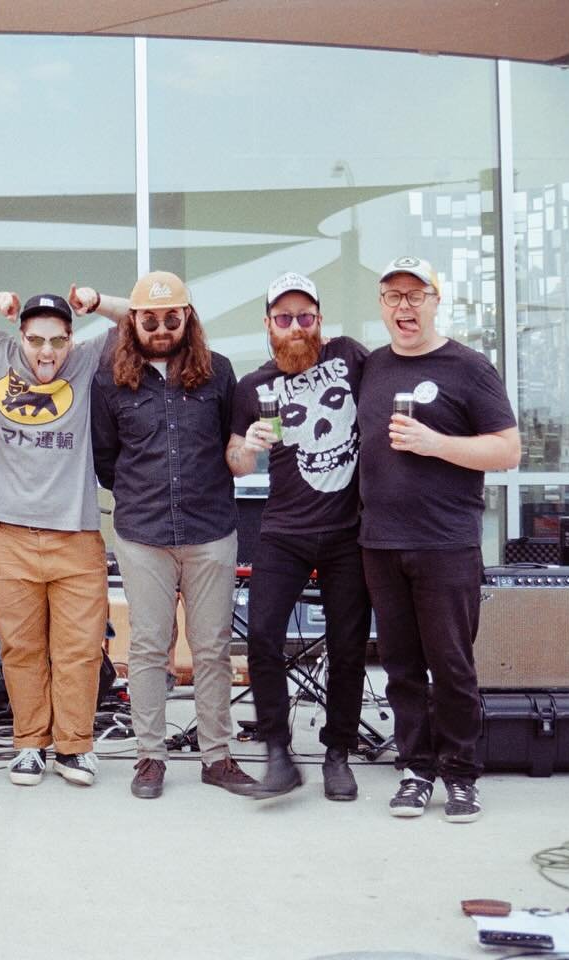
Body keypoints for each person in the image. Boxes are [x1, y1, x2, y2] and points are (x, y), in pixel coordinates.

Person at [358, 256, 520, 823]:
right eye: (393, 296)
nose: (405, 306)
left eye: (415, 295)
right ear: (382, 306)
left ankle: (461, 774)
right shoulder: (372, 367)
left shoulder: (469, 367)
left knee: (451, 664)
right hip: (378, 541)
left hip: (446, 542)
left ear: (436, 300)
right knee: (400, 666)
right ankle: (415, 769)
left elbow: (507, 450)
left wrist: (436, 443)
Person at [0, 286, 114, 787]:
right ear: (20, 336)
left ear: (70, 340)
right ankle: (30, 744)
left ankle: (75, 747)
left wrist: (97, 301)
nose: (46, 352)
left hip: (75, 534)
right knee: (20, 648)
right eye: (36, 340)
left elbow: (137, 320)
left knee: (79, 649)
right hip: (8, 533)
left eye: (57, 341)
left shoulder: (83, 362)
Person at [91, 270, 254, 799]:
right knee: (148, 648)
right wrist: (143, 495)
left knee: (212, 648)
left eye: (171, 317)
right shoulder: (110, 379)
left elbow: (235, 450)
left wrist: (250, 453)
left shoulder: (220, 373)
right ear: (133, 321)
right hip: (143, 534)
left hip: (210, 530)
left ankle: (217, 756)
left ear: (188, 318)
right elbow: (106, 461)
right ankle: (149, 757)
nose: (161, 328)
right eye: (149, 319)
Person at [225, 271, 371, 802]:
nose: (294, 327)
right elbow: (237, 463)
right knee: (262, 636)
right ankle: (278, 752)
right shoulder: (254, 387)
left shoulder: (351, 359)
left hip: (347, 532)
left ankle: (337, 752)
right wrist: (250, 448)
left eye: (304, 317)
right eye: (283, 318)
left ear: (319, 321)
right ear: (268, 325)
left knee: (349, 646)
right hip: (284, 530)